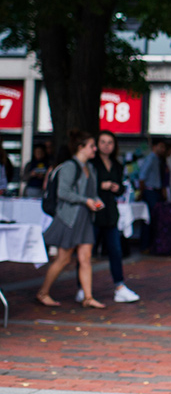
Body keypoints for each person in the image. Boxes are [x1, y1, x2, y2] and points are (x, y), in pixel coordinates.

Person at [35, 130, 107, 309]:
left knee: (85, 258)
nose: (95, 149)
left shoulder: (90, 168)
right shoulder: (69, 166)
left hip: (84, 217)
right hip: (70, 218)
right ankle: (43, 293)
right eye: (92, 146)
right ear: (80, 147)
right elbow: (63, 193)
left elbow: (91, 193)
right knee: (63, 258)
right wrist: (86, 201)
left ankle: (88, 297)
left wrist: (96, 201)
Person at [79, 130, 141, 304]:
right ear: (97, 145)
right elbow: (84, 186)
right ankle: (81, 287)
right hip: (93, 212)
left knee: (116, 250)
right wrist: (101, 185)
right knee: (86, 252)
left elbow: (122, 189)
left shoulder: (117, 165)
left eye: (110, 142)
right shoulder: (91, 164)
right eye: (103, 142)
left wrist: (117, 188)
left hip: (110, 213)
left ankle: (119, 286)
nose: (106, 146)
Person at [137, 138, 167, 251]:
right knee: (148, 219)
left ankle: (151, 245)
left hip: (155, 192)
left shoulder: (158, 160)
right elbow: (142, 177)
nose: (163, 149)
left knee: (154, 219)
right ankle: (145, 246)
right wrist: (142, 192)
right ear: (154, 147)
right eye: (161, 146)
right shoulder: (150, 159)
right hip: (150, 192)